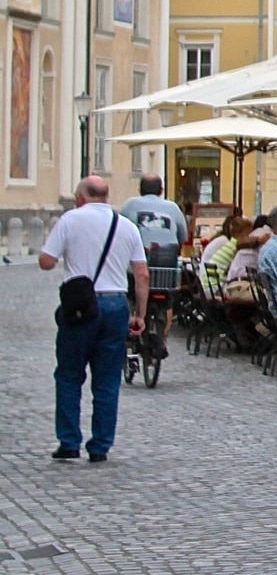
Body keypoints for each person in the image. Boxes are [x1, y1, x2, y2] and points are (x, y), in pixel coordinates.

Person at [39, 176, 148, 461]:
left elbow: (46, 261)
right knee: (107, 380)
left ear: (80, 198)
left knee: (69, 375)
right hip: (115, 305)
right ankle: (100, 446)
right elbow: (142, 274)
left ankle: (69, 441)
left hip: (80, 306)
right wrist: (140, 315)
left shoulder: (70, 220)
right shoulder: (126, 226)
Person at [118, 175, 185, 262]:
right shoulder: (173, 207)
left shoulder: (130, 205)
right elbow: (183, 237)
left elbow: (118, 232)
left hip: (137, 263)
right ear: (161, 191)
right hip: (167, 263)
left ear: (140, 191)